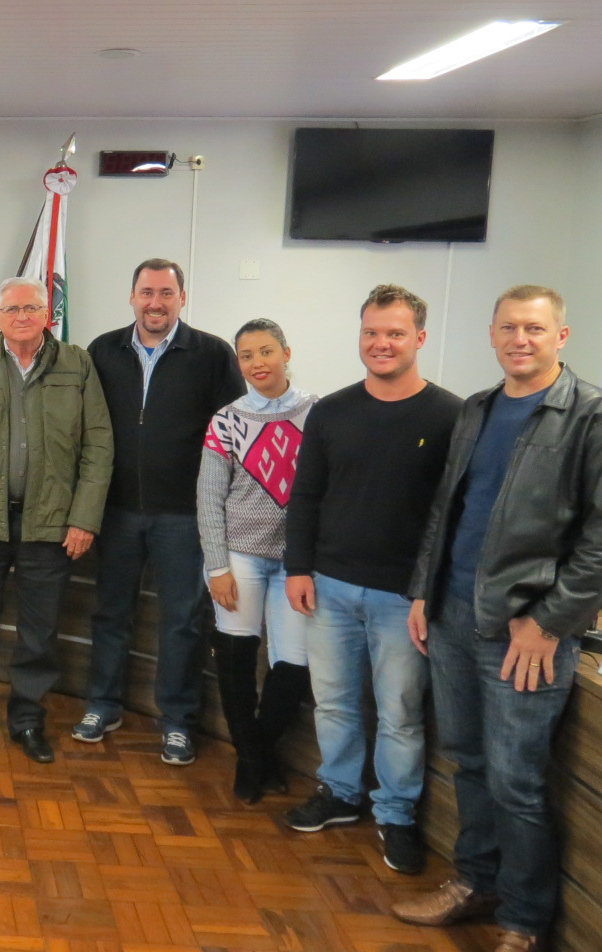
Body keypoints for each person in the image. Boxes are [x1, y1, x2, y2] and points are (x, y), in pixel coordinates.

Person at [392, 286, 602, 952]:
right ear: (492, 334)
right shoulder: (478, 409)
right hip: (453, 617)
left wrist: (552, 620)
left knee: (517, 780)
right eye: (509, 327)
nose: (521, 339)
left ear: (560, 337)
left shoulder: (589, 415)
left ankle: (524, 919)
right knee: (470, 763)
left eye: (535, 329)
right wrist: (425, 590)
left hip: (524, 633)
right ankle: (474, 883)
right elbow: (445, 510)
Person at [282, 284, 460, 876]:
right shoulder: (331, 410)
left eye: (394, 333)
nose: (381, 344)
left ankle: (397, 815)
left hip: (402, 599)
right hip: (328, 585)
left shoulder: (451, 416)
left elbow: (450, 515)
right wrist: (299, 567)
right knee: (333, 702)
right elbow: (305, 496)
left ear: (420, 339)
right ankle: (339, 793)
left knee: (400, 712)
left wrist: (425, 592)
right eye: (371, 333)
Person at [0, 277, 113, 762]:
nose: (21, 316)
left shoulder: (76, 364)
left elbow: (98, 447)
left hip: (52, 524)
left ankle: (28, 721)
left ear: (47, 314)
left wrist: (84, 519)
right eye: (11, 309)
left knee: (40, 630)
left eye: (31, 307)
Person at [80, 258, 244, 765]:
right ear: (132, 297)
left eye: (166, 294)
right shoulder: (102, 351)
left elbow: (232, 435)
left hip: (184, 515)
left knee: (182, 621)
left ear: (182, 298)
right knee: (111, 613)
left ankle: (176, 721)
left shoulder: (213, 354)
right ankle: (102, 704)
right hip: (116, 509)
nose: (155, 303)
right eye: (147, 292)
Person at [197, 319, 317, 804]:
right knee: (235, 659)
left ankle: (256, 752)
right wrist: (216, 565)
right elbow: (209, 498)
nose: (257, 363)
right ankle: (252, 764)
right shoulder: (226, 420)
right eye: (246, 356)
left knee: (293, 663)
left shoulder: (319, 415)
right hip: (239, 557)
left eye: (266, 351)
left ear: (287, 352)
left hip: (297, 563)